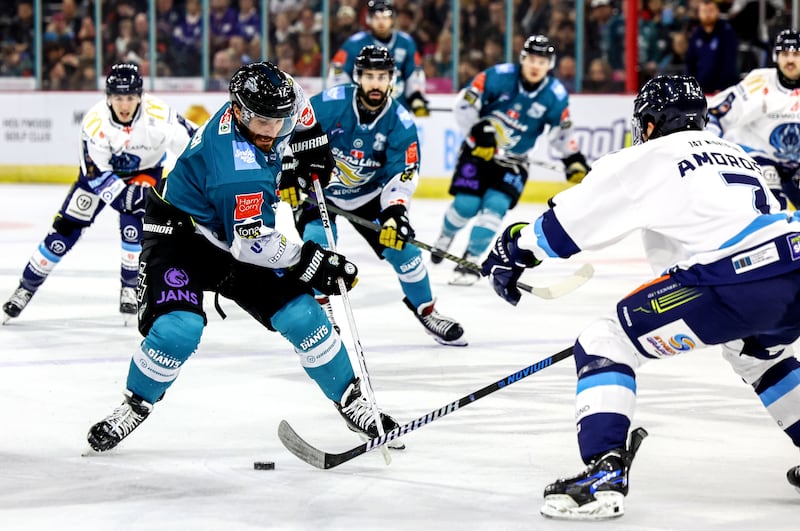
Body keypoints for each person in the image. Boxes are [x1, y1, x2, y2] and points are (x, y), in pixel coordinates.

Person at [480, 74, 800, 519]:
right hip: (793, 262)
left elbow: (563, 229)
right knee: (758, 355)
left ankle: (603, 474)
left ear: (649, 123)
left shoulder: (648, 155)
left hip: (735, 278)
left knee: (604, 341)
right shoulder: (736, 153)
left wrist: (514, 250)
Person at [85, 61, 403, 453]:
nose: (273, 131)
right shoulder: (235, 169)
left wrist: (314, 142)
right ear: (238, 111)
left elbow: (300, 110)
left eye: (278, 121)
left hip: (235, 226)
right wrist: (310, 260)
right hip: (182, 236)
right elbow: (250, 245)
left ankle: (352, 400)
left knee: (302, 314)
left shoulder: (280, 95)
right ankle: (136, 403)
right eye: (263, 122)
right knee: (178, 330)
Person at [281, 45, 466, 347]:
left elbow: (402, 173)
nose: (376, 83)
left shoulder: (400, 122)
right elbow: (290, 128)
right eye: (369, 76)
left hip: (369, 196)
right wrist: (289, 167)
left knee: (405, 252)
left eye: (382, 77)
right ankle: (323, 313)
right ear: (357, 77)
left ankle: (427, 311)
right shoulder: (331, 103)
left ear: (392, 79)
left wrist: (395, 211)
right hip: (320, 191)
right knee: (318, 248)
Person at [2, 63, 196, 326]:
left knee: (134, 226)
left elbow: (196, 144)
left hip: (145, 172)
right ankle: (25, 287)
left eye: (130, 97)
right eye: (118, 97)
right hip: (100, 177)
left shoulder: (162, 116)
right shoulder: (95, 124)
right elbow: (96, 175)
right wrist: (127, 198)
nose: (124, 104)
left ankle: (129, 287)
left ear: (140, 96)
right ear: (108, 97)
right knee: (64, 230)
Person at [430, 34, 590, 286]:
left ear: (550, 64)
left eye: (543, 61)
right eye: (532, 59)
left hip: (513, 163)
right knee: (466, 205)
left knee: (495, 207)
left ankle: (470, 259)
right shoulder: (498, 76)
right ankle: (446, 234)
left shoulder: (555, 95)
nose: (536, 66)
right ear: (523, 59)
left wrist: (573, 158)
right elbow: (464, 104)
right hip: (479, 153)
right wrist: (477, 133)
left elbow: (562, 132)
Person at [707, 29, 800, 209]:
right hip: (758, 158)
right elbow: (714, 115)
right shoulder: (759, 83)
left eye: (796, 54)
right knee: (773, 209)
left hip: (794, 165)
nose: (789, 60)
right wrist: (710, 150)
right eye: (784, 54)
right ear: (775, 56)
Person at [327, 0, 429, 116]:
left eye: (385, 17)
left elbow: (415, 71)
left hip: (398, 109)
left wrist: (416, 95)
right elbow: (338, 71)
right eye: (376, 18)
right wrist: (342, 98)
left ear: (392, 19)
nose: (381, 22)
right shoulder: (354, 44)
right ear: (369, 19)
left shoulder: (406, 42)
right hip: (361, 110)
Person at [685, 0, 740, 94]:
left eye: (711, 10)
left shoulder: (727, 32)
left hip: (723, 91)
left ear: (718, 11)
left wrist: (722, 87)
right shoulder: (696, 35)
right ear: (699, 14)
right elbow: (690, 64)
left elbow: (729, 63)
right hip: (701, 91)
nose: (707, 14)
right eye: (704, 11)